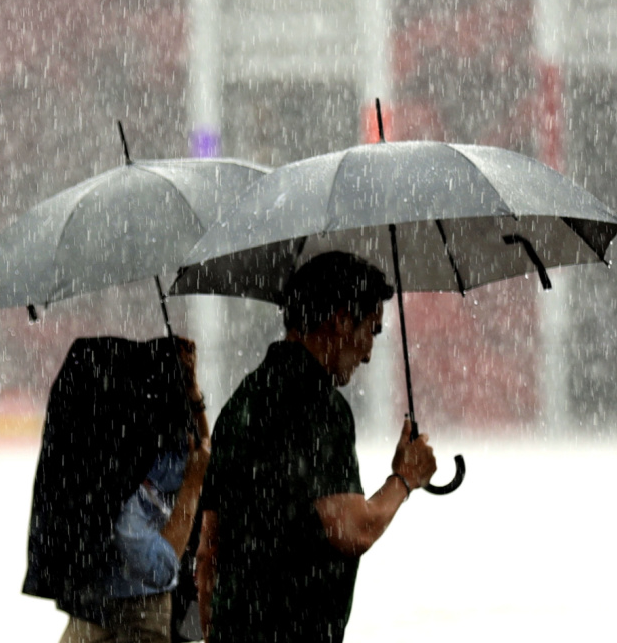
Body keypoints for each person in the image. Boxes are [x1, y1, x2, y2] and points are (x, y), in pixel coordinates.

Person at [195, 252, 437, 643]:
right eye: (370, 330)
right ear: (340, 321)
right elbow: (352, 530)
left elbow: (208, 551)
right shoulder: (321, 407)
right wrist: (405, 480)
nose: (369, 353)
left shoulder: (242, 403)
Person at [22, 334, 210, 643]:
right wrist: (192, 485)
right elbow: (159, 567)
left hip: (97, 607)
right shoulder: (117, 492)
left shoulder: (143, 445)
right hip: (137, 615)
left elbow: (202, 455)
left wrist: (192, 394)